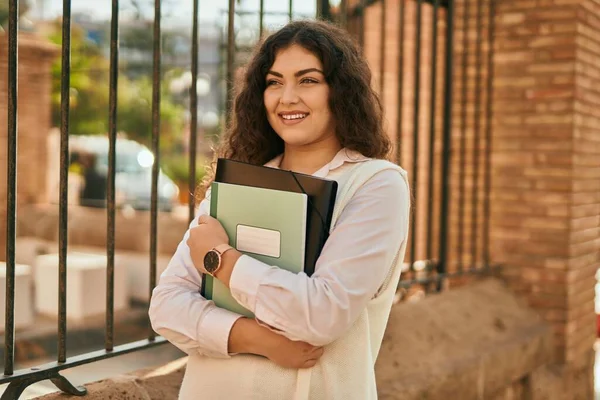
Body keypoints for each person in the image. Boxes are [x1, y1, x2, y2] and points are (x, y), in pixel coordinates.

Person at [149, 20, 410, 399]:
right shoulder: (235, 183)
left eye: (308, 80)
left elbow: (321, 315)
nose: (287, 97)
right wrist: (257, 339)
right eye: (274, 82)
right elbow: (167, 306)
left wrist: (220, 259)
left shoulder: (375, 184)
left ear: (340, 90)